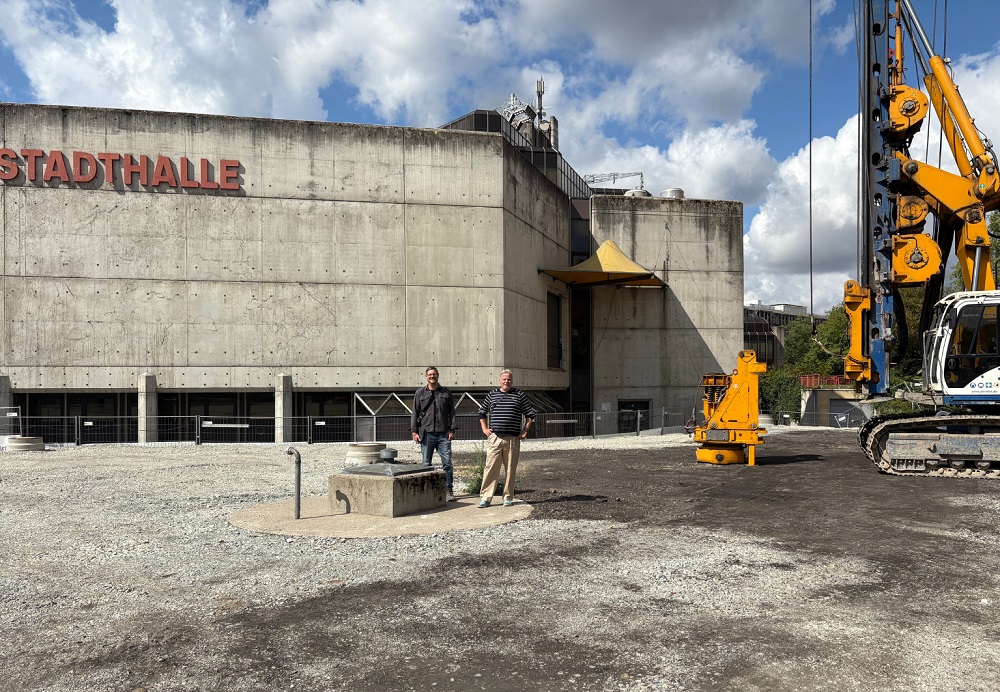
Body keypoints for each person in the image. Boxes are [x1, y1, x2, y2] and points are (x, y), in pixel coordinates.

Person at [478, 369, 536, 507]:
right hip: (495, 438)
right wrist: (485, 429)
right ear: (500, 380)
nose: (506, 381)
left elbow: (530, 415)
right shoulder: (492, 394)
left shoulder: (519, 395)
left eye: (509, 379)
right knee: (490, 468)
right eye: (504, 379)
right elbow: (481, 412)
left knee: (510, 469)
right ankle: (486, 498)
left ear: (512, 380)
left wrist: (525, 430)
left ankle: (507, 497)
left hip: (513, 439)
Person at [411, 366, 457, 501]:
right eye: (430, 374)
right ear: (426, 376)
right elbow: (414, 413)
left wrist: (452, 429)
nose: (432, 376)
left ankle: (449, 490)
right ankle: (426, 493)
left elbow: (452, 413)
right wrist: (414, 431)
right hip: (426, 434)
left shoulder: (446, 392)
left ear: (438, 375)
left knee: (447, 464)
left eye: (434, 374)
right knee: (426, 464)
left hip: (443, 434)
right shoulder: (420, 393)